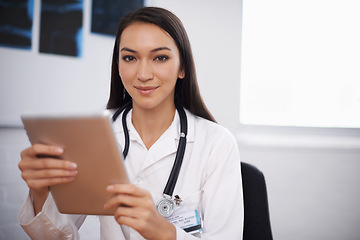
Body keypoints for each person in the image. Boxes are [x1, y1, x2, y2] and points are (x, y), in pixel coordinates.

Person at [17, 7, 243, 239]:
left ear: (182, 67)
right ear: (118, 65)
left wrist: (165, 232)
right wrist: (40, 191)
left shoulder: (216, 144)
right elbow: (59, 236)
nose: (143, 74)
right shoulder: (92, 136)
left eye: (160, 57)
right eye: (130, 58)